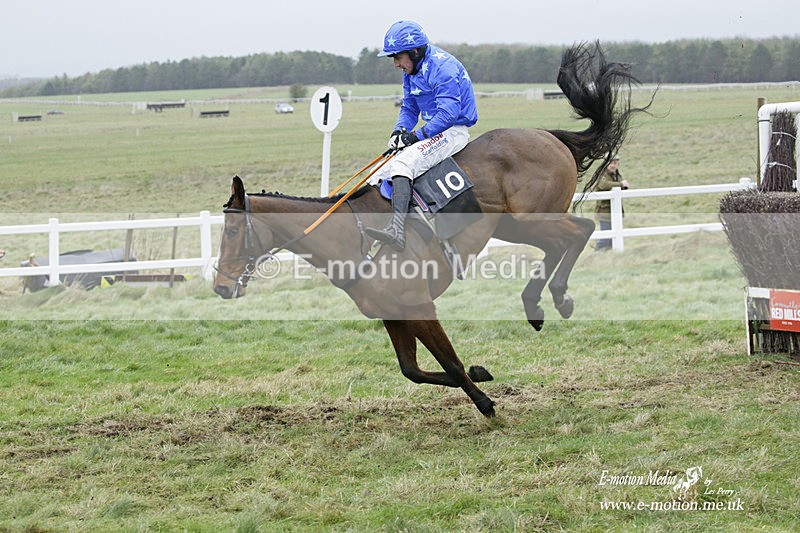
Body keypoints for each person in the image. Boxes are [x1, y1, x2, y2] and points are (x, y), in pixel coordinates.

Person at [366, 20, 478, 252]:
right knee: (376, 174)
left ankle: (398, 232)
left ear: (415, 51)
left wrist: (415, 136)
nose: (396, 64)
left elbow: (448, 114)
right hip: (432, 131)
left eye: (398, 57)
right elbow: (409, 108)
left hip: (453, 130)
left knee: (403, 165)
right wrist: (399, 131)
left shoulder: (443, 67)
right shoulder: (411, 71)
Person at [593, 153, 629, 251]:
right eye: (610, 163)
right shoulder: (602, 174)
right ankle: (596, 254)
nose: (613, 165)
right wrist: (620, 184)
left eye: (615, 163)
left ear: (618, 164)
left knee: (614, 239)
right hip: (605, 211)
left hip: (616, 212)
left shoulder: (617, 175)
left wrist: (623, 186)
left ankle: (609, 256)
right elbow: (603, 185)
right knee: (605, 238)